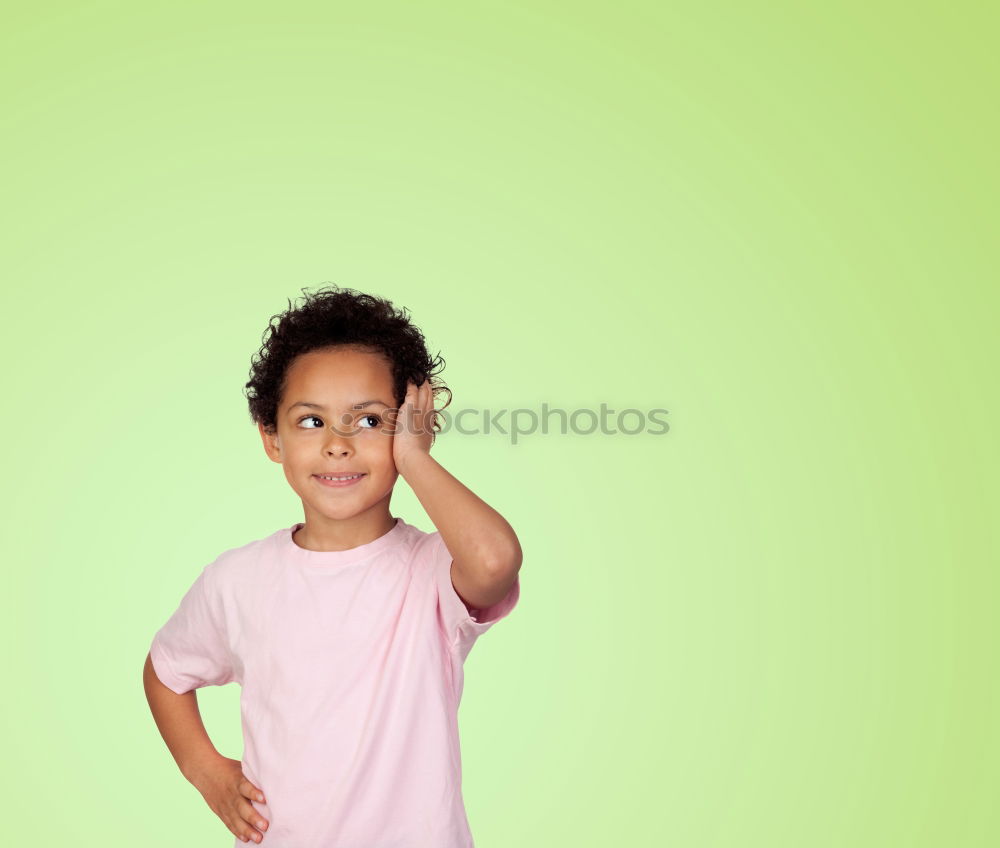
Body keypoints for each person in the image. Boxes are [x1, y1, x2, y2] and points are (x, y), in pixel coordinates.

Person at [142, 285, 522, 847]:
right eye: (311, 421)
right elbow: (166, 672)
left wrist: (414, 458)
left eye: (368, 421)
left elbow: (495, 560)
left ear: (411, 425)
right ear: (272, 437)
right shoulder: (236, 579)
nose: (338, 444)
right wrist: (207, 772)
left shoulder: (433, 572)